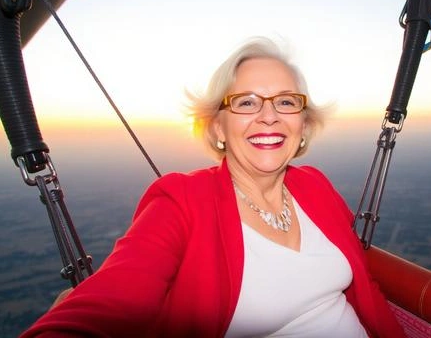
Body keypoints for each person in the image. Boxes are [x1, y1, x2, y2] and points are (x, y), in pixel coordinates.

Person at [22, 38, 406, 337]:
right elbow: (111, 301)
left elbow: (364, 288)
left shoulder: (315, 186)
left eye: (286, 102)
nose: (269, 116)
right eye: (246, 103)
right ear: (218, 127)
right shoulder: (180, 203)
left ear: (303, 125)